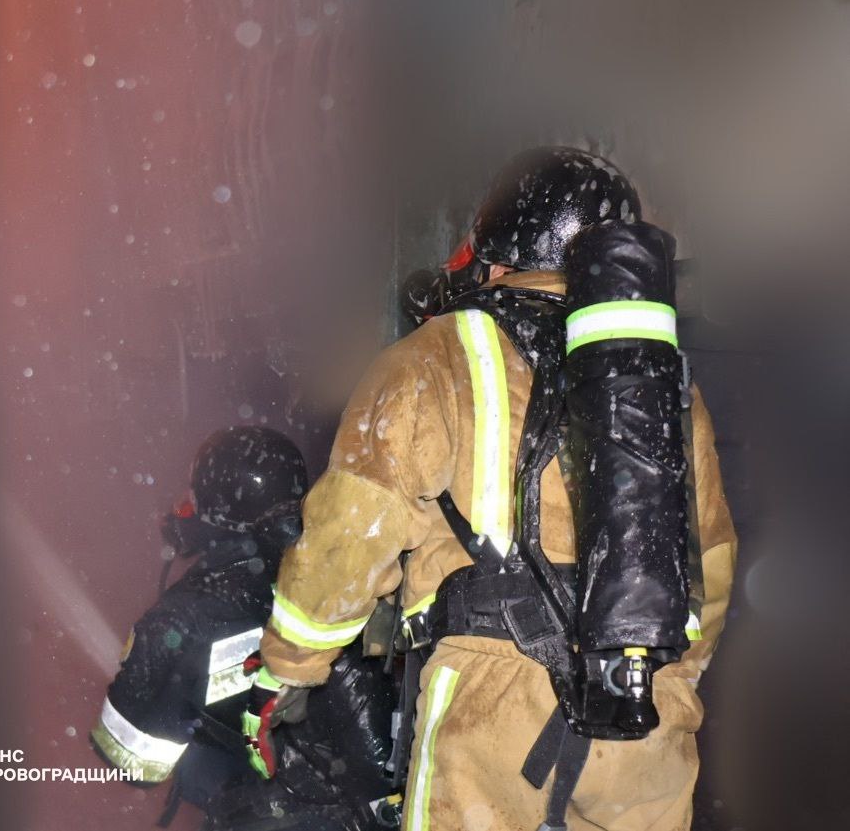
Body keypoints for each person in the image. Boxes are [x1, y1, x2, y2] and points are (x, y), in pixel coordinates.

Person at [249, 147, 738, 831]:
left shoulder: (438, 352)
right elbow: (709, 562)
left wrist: (288, 667)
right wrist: (664, 677)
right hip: (643, 709)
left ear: (499, 250)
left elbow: (351, 532)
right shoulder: (661, 384)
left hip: (490, 708)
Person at [90, 425, 396, 829]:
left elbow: (135, 762)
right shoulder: (347, 577)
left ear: (213, 507)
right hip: (374, 809)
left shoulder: (183, 617)